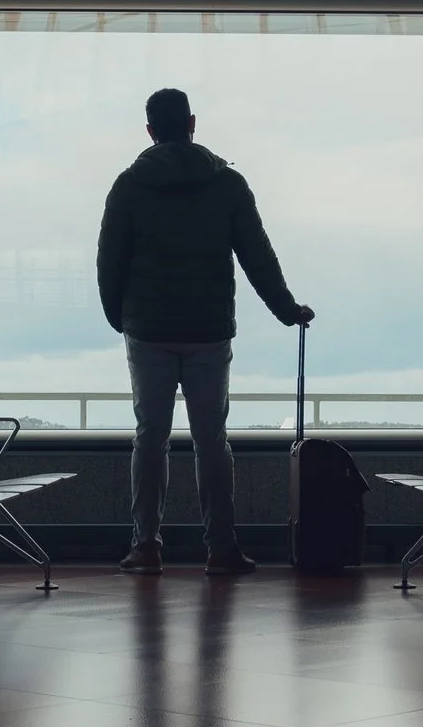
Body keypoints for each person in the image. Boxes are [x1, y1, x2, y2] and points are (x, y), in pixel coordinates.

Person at [97, 88, 312, 576]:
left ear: (150, 131)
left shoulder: (130, 186)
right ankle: (221, 548)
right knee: (211, 439)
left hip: (147, 329)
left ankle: (146, 545)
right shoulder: (228, 184)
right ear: (192, 123)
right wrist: (286, 310)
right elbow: (258, 255)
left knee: (150, 437)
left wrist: (121, 317)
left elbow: (109, 261)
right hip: (209, 330)